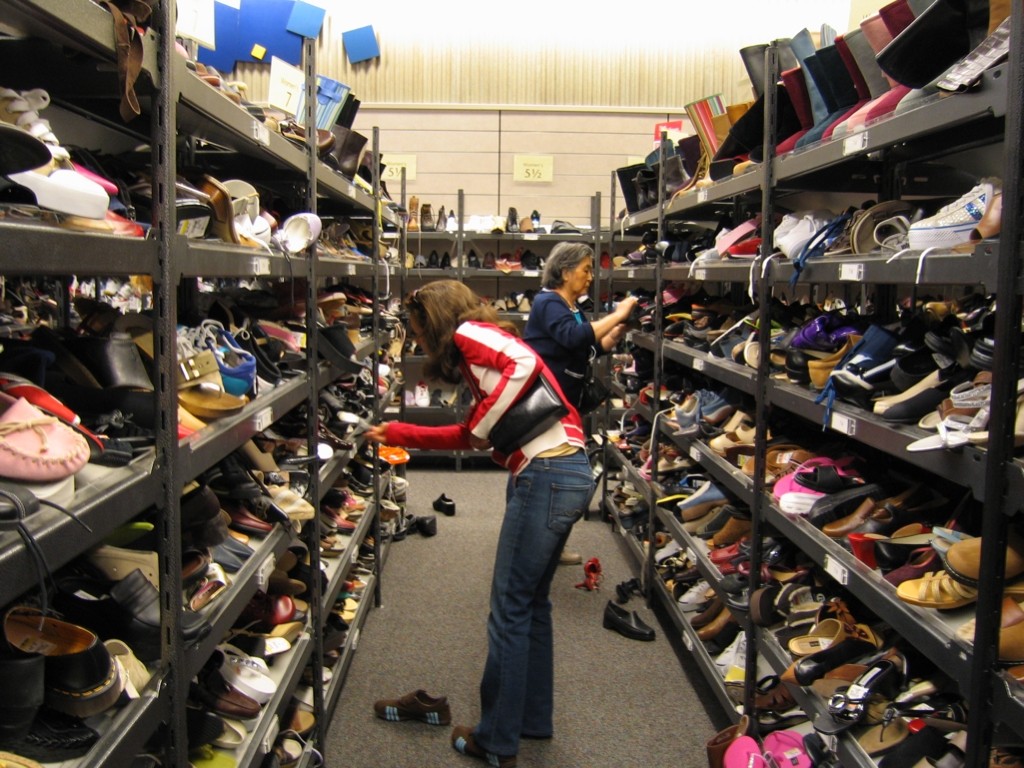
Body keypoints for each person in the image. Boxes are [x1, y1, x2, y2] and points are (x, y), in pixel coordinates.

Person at [364, 280, 595, 768]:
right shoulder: (480, 357)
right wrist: (400, 432)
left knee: (509, 609)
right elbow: (471, 439)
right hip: (566, 470)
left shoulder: (470, 333)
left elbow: (526, 367)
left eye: (419, 330)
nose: (419, 340)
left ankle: (495, 742)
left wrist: (483, 424)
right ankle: (531, 721)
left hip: (546, 474)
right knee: (532, 605)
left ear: (436, 318)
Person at [523, 241, 637, 564]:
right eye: (585, 270)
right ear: (564, 271)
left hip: (561, 406)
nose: (590, 277)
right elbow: (574, 338)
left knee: (552, 476)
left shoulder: (569, 306)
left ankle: (547, 544)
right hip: (547, 407)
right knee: (549, 475)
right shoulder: (548, 303)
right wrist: (616, 314)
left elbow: (586, 348)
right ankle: (536, 544)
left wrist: (616, 329)